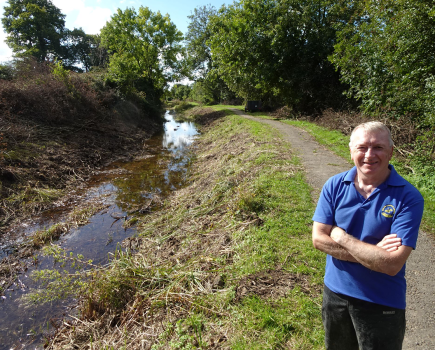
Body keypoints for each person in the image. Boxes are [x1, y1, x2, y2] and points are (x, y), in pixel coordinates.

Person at [312, 121, 424, 350]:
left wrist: (341, 237)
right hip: (334, 295)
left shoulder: (409, 198)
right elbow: (318, 239)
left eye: (379, 147)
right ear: (351, 150)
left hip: (381, 302)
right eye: (362, 147)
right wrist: (374, 255)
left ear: (391, 151)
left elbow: (392, 265)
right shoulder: (334, 185)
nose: (369, 155)